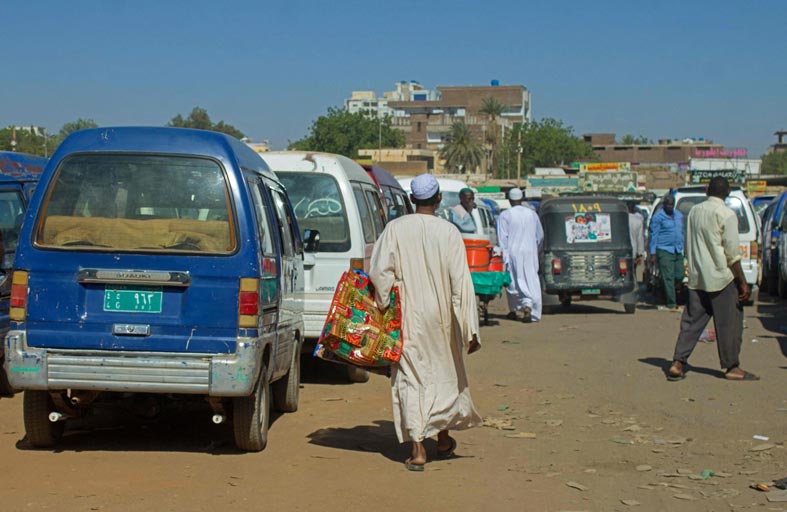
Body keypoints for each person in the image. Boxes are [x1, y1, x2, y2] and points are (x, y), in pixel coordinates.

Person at [369, 173, 482, 472]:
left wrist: (382, 304)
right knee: (444, 375)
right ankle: (442, 440)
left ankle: (419, 449)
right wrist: (469, 328)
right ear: (439, 199)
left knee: (412, 378)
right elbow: (461, 283)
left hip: (407, 314)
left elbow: (380, 272)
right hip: (442, 318)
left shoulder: (395, 229)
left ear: (411, 199)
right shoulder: (449, 232)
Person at [667, 177, 758, 381]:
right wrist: (742, 282)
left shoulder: (694, 212)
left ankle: (678, 362)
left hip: (698, 277)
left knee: (691, 322)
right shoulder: (726, 214)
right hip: (721, 278)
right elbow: (732, 253)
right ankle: (732, 366)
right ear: (727, 193)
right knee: (729, 324)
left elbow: (689, 243)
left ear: (707, 190)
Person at [497, 187, 544, 322]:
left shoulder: (505, 215)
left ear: (509, 200)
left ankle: (519, 307)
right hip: (530, 252)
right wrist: (536, 250)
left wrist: (504, 256)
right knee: (530, 279)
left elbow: (502, 239)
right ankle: (528, 306)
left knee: (514, 281)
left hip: (513, 253)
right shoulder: (532, 214)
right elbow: (540, 236)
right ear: (521, 199)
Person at [648, 195, 684, 311]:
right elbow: (654, 235)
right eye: (667, 204)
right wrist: (652, 253)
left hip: (677, 249)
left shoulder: (678, 215)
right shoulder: (658, 217)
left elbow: (682, 232)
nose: (669, 206)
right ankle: (671, 303)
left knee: (680, 275)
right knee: (668, 277)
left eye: (671, 204)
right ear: (664, 205)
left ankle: (665, 291)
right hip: (664, 249)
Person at [628, 203, 645, 279]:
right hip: (633, 251)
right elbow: (640, 238)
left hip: (621, 251)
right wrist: (640, 253)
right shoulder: (638, 221)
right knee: (633, 272)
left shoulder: (620, 219)